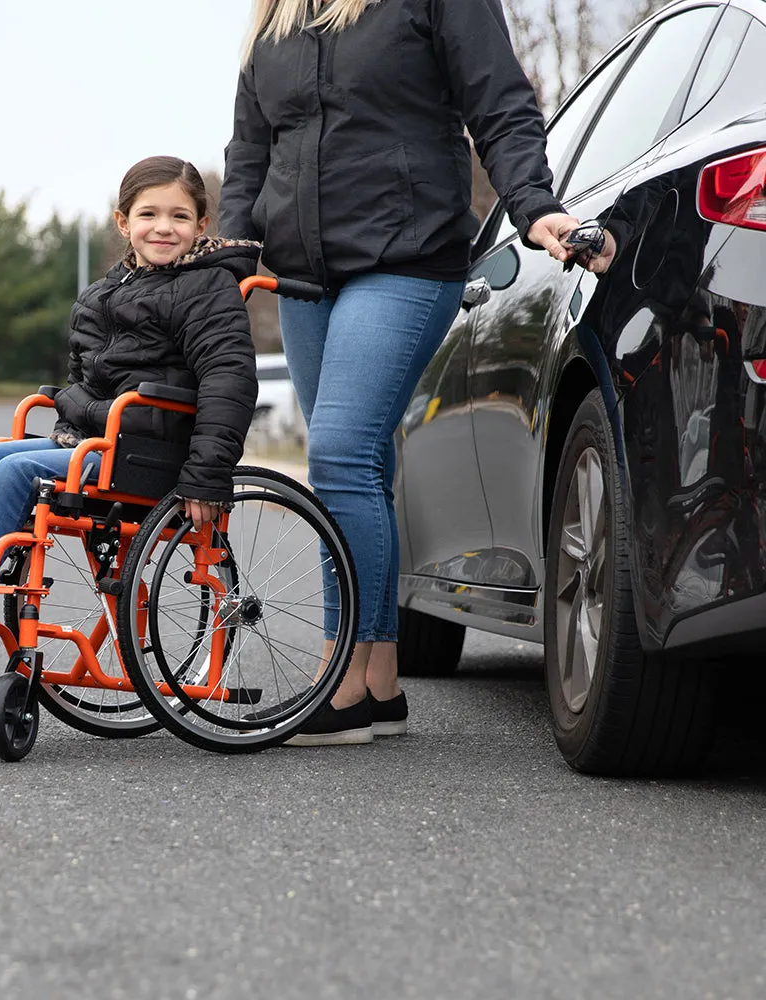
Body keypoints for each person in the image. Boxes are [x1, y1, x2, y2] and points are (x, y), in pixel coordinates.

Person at [220, 0, 615, 746]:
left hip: (405, 258)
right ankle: (378, 683)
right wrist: (232, 255)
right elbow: (249, 154)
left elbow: (499, 102)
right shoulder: (272, 18)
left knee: (338, 456)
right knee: (358, 465)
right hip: (305, 278)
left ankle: (337, 682)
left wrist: (533, 204)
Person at [0, 156, 261, 639]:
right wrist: (75, 414)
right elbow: (85, 375)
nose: (163, 228)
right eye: (148, 214)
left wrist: (206, 475)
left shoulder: (208, 287)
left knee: (17, 471)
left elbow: (229, 380)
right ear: (123, 222)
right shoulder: (102, 293)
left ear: (201, 224)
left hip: (156, 453)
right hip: (99, 443)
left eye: (179, 216)